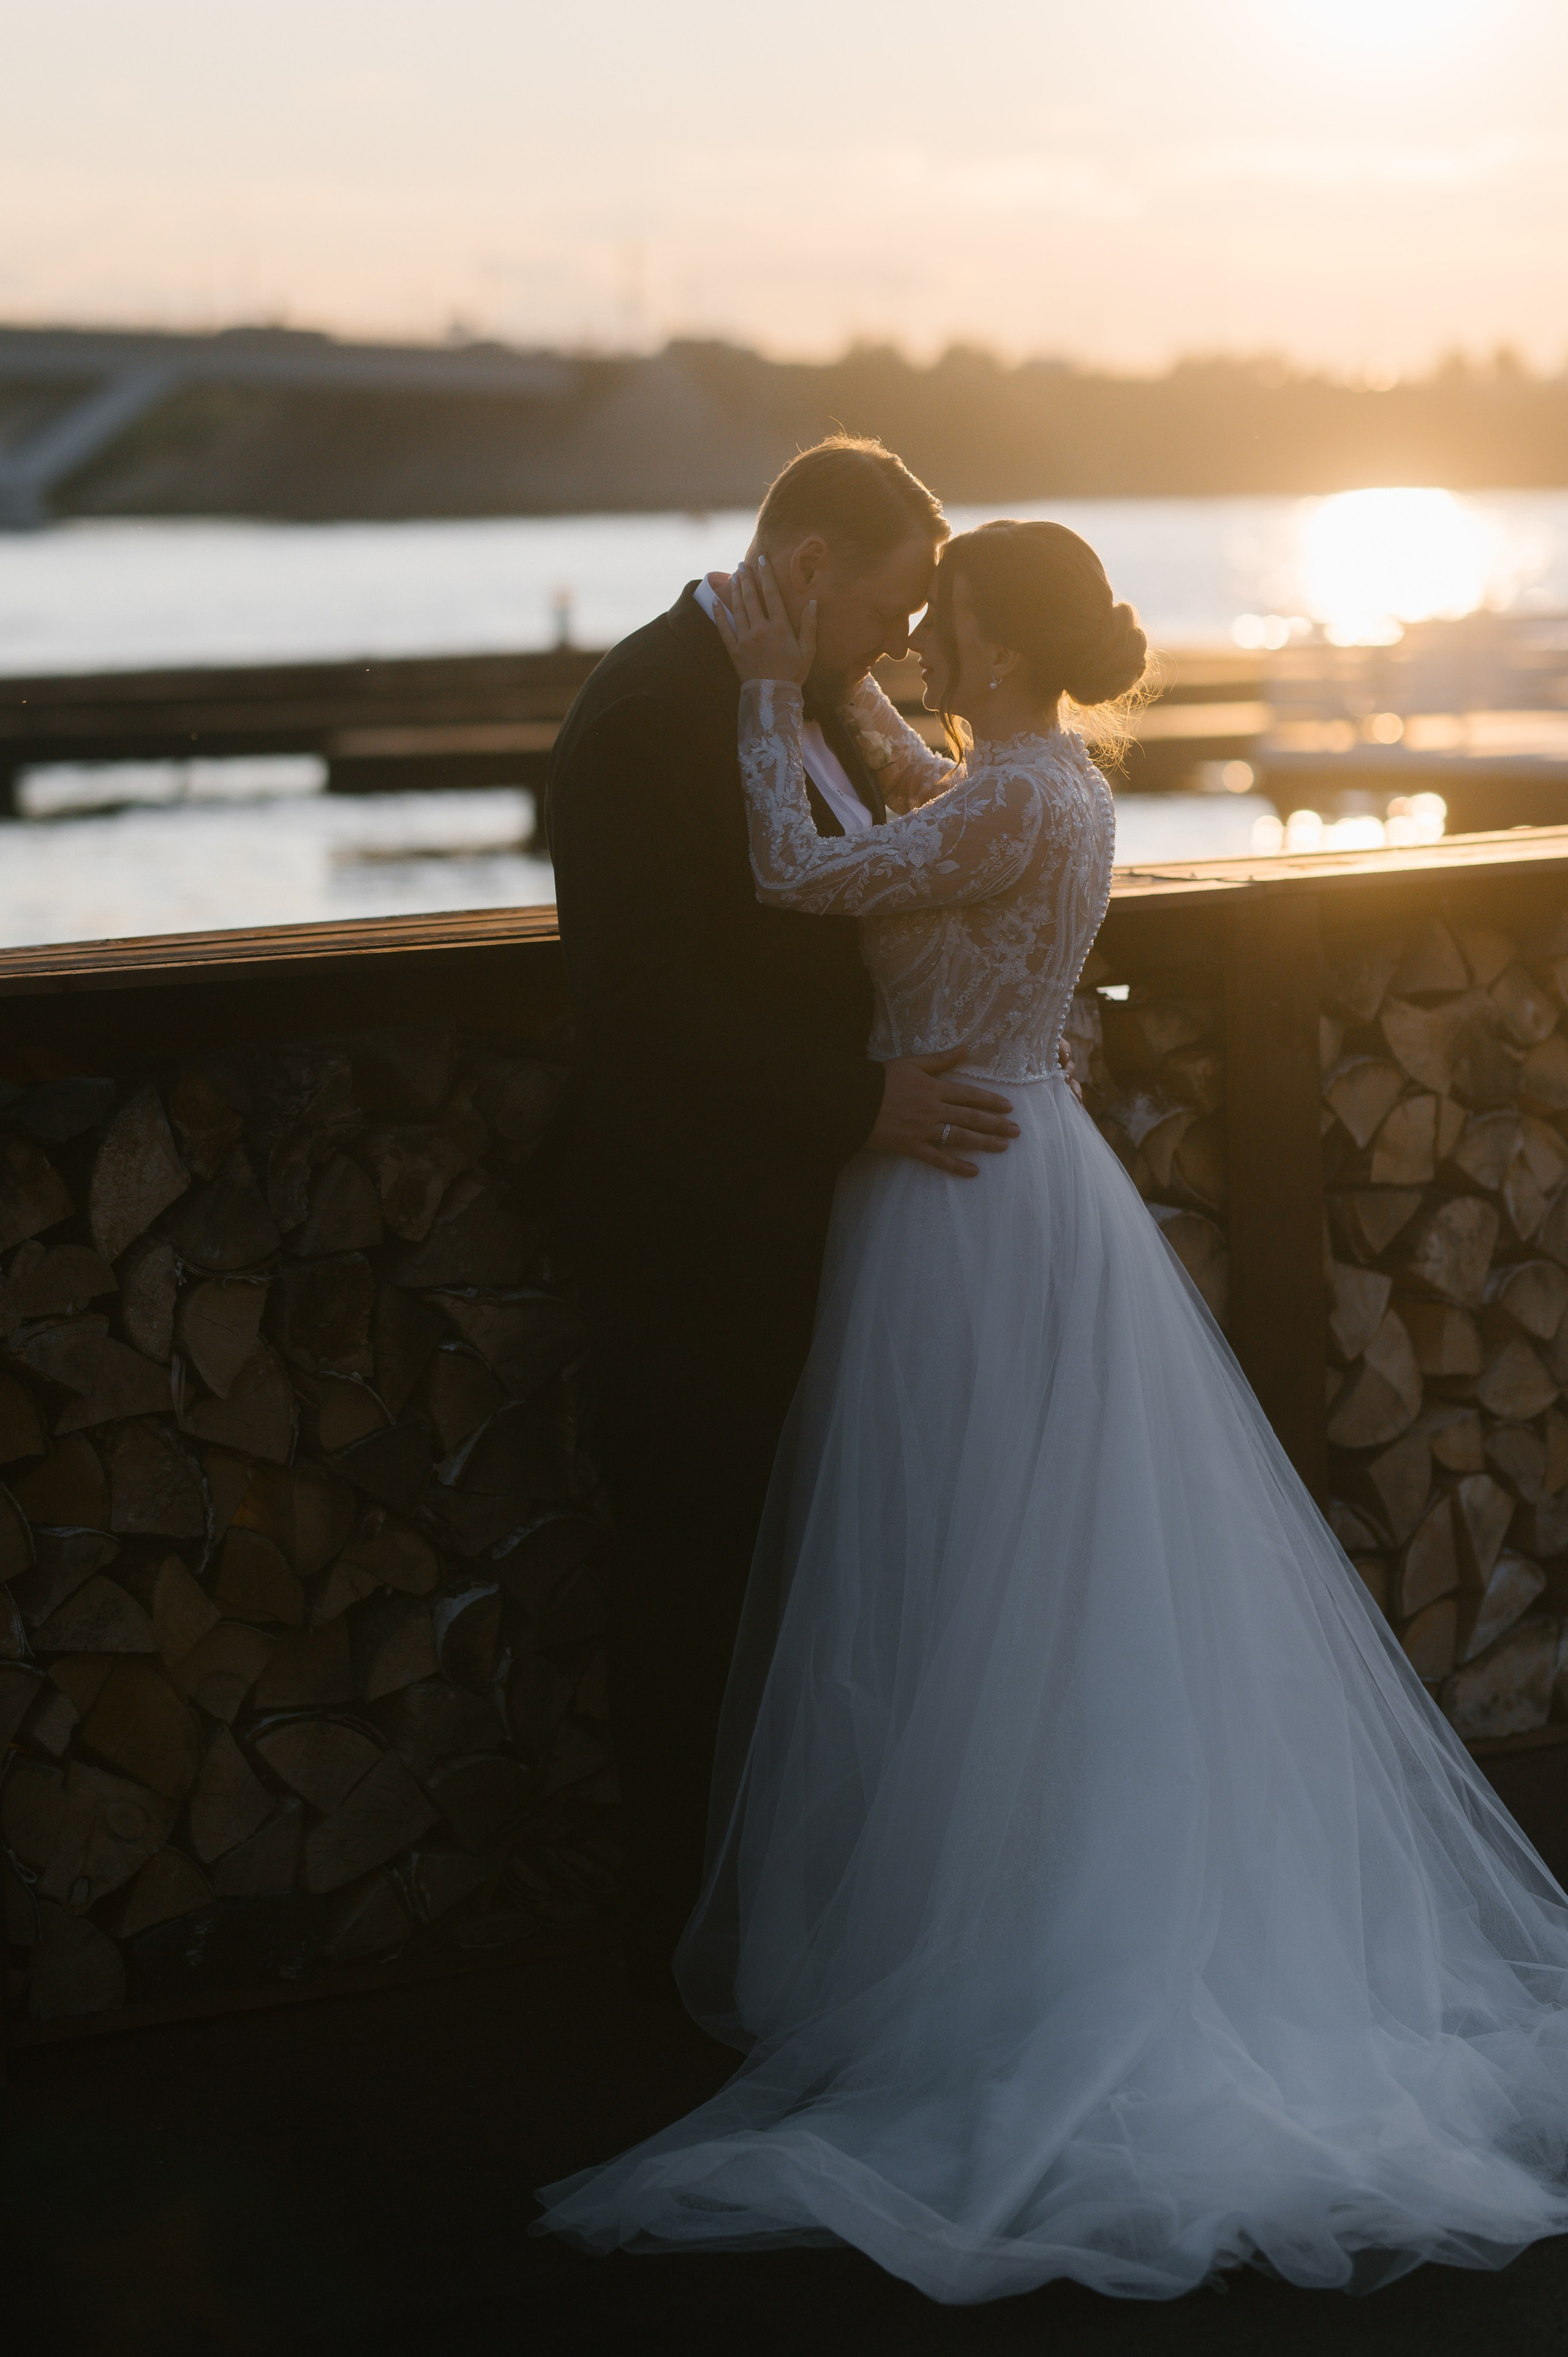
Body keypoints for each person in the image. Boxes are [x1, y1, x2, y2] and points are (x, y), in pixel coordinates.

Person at [535, 520, 1568, 2300]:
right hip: (1028, 1179)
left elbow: (790, 872)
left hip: (957, 1212)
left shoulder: (1003, 791)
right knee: (1044, 1576)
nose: (919, 648)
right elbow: (949, 847)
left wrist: (774, 697)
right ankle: (1003, 1913)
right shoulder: (1053, 780)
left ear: (1000, 654)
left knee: (962, 1571)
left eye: (943, 626)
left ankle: (999, 1944)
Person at [546, 439, 1023, 1997]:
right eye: (887, 610)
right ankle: (678, 1952)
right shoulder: (645, 716)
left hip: (831, 1224)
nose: (898, 645)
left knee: (819, 1588)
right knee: (699, 1589)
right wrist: (854, 1104)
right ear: (807, 570)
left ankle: (808, 1925)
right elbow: (642, 1007)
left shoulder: (802, 692)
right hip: (699, 1235)